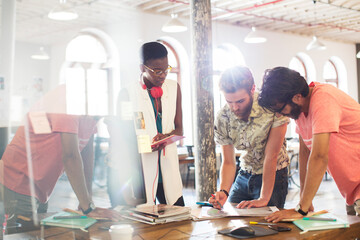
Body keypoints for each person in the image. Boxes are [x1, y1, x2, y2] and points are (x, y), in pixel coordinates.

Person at [0, 86, 119, 226]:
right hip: (18, 178)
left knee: (38, 231)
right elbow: (70, 157)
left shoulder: (91, 112)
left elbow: (86, 155)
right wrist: (88, 208)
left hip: (41, 185)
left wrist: (88, 202)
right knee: (26, 233)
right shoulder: (68, 100)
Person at [257, 67, 360, 222]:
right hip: (352, 189)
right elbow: (305, 152)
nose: (279, 115)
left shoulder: (323, 100)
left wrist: (301, 209)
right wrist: (304, 200)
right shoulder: (300, 111)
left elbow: (319, 157)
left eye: (280, 109)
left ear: (297, 97)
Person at [107, 41, 184, 207]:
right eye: (157, 71)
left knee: (178, 215)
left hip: (168, 166)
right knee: (145, 221)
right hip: (140, 169)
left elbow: (179, 128)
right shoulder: (127, 94)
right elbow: (125, 135)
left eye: (166, 69)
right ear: (142, 68)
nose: (163, 75)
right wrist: (146, 145)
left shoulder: (174, 88)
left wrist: (166, 137)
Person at [208, 66, 290, 210]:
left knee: (266, 225)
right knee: (229, 218)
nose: (234, 108)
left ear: (252, 89)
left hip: (274, 175)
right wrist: (223, 191)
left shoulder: (272, 108)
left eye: (240, 101)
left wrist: (264, 198)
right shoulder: (223, 117)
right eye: (229, 101)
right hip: (245, 173)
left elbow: (271, 156)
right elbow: (228, 161)